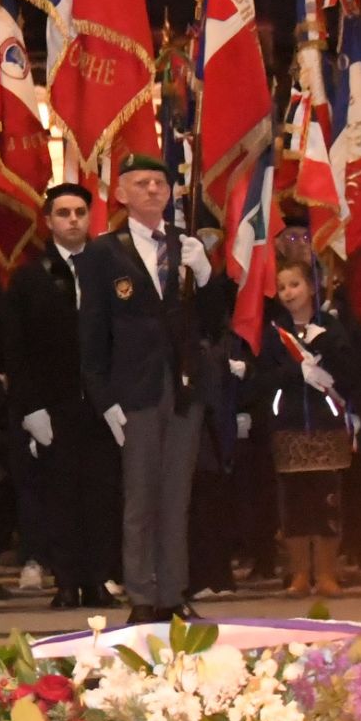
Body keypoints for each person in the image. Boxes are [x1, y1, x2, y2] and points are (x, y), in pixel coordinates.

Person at [78, 152, 224, 626]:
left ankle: (173, 592)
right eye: (141, 183)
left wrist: (207, 276)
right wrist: (104, 398)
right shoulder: (104, 252)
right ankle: (142, 594)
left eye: (159, 183)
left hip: (182, 384)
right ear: (121, 193)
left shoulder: (186, 245)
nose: (153, 190)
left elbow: (215, 322)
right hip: (134, 388)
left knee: (176, 495)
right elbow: (92, 330)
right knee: (140, 497)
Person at [0, 183, 118, 609]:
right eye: (64, 213)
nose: (73, 220)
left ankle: (98, 580)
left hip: (103, 403)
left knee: (102, 494)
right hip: (53, 403)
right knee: (60, 495)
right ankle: (67, 581)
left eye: (80, 212)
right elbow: (16, 347)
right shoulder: (30, 277)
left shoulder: (110, 270)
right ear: (48, 221)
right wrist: (30, 407)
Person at [253, 260, 358, 596]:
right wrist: (295, 371)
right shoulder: (273, 331)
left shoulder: (331, 327)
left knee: (327, 501)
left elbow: (350, 373)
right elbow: (262, 377)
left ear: (311, 287)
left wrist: (323, 346)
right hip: (289, 424)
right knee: (294, 504)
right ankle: (299, 573)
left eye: (295, 285)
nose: (288, 293)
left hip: (326, 424)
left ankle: (327, 573)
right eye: (282, 287)